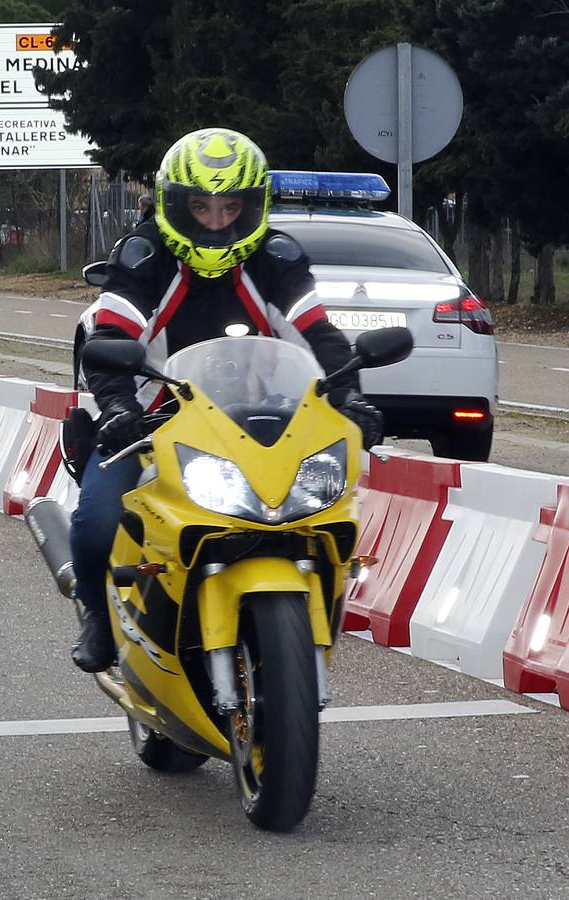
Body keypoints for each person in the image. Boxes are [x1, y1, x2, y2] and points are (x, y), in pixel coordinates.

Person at [69, 128, 383, 673]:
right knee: (98, 518)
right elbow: (110, 335)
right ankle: (99, 613)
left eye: (231, 207)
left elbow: (318, 333)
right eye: (201, 206)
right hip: (152, 421)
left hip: (261, 423)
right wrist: (118, 408)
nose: (216, 222)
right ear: (175, 205)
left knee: (320, 511)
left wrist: (350, 395)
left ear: (252, 205)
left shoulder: (276, 258)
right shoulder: (144, 256)